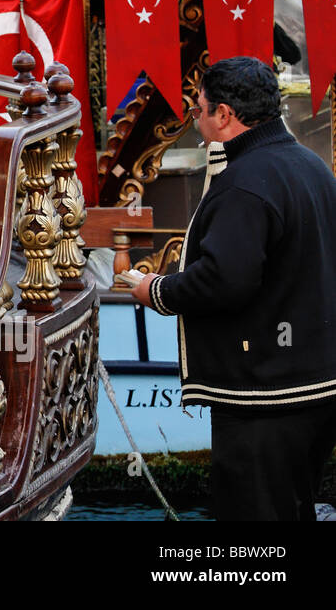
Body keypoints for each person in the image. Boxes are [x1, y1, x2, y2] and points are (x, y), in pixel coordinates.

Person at [133, 56, 336, 520]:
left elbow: (225, 281)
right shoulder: (312, 165)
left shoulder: (243, 184)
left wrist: (157, 291)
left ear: (224, 115)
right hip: (317, 386)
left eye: (200, 109)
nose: (196, 119)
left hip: (265, 398)